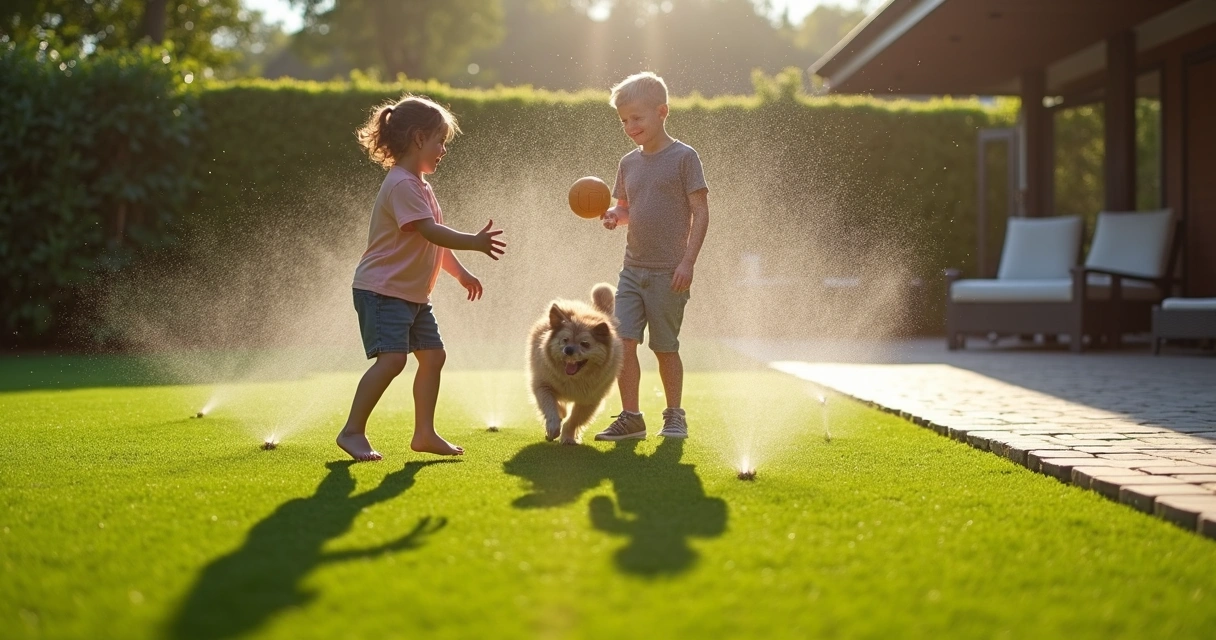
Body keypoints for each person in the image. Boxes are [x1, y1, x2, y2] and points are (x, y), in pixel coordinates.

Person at [338, 95, 505, 461]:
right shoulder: (402, 184)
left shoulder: (420, 186)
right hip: (382, 291)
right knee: (392, 361)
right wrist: (475, 242)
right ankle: (352, 431)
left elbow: (433, 242)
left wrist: (460, 273)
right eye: (439, 141)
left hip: (411, 296)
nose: (443, 149)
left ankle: (424, 434)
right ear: (418, 138)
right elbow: (432, 232)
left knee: (433, 357)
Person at [594, 72, 709, 441]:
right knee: (623, 342)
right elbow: (627, 207)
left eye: (637, 118)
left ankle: (674, 415)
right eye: (624, 120)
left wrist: (687, 262)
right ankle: (631, 417)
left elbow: (700, 211)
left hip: (669, 273)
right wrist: (615, 215)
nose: (630, 126)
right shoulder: (628, 163)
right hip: (632, 269)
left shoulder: (684, 157)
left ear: (662, 112)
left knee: (664, 348)